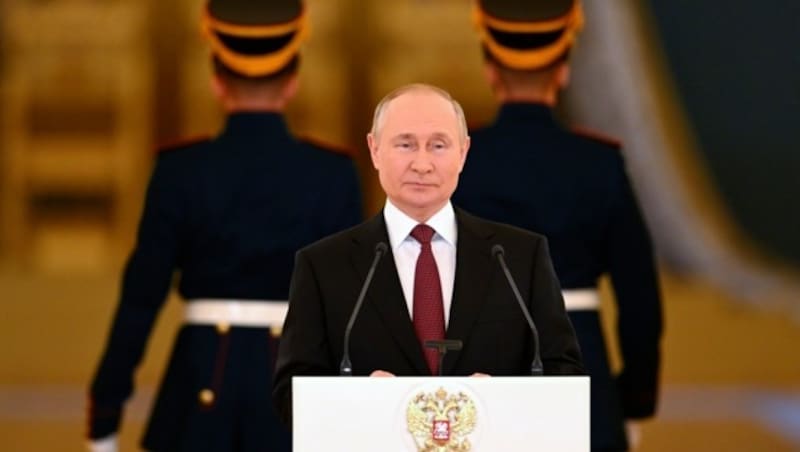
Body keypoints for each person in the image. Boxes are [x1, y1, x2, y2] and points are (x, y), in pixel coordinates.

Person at [86, 1, 362, 450]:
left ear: (216, 81)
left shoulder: (180, 170)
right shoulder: (332, 175)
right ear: (292, 82)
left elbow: (142, 296)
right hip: (296, 391)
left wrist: (106, 406)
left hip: (198, 381)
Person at [272, 83, 584, 426]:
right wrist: (357, 401)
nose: (422, 163)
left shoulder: (518, 258)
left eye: (438, 145)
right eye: (405, 144)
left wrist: (501, 402)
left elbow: (563, 376)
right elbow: (290, 395)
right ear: (374, 150)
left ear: (463, 153)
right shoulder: (323, 265)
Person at [453, 1, 663, 450]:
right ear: (563, 69)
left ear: (491, 68)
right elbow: (640, 301)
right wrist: (632, 397)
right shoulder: (599, 164)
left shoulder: (458, 163)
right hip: (583, 375)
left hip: (478, 382)